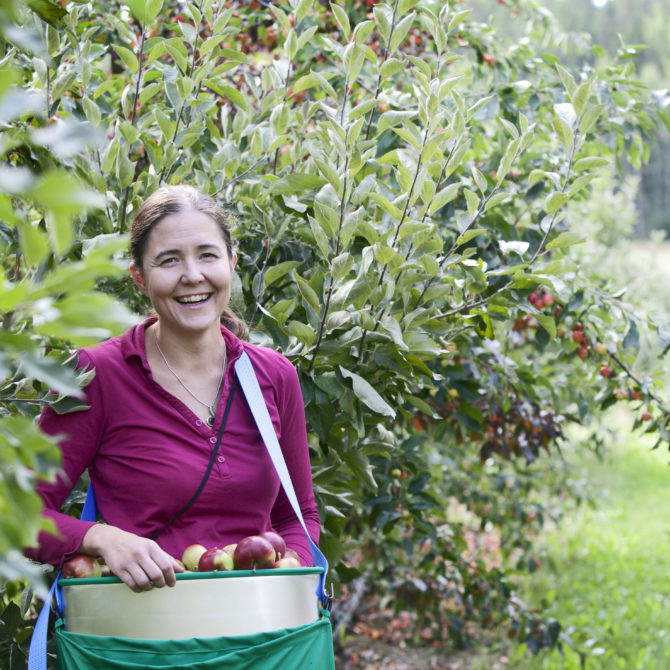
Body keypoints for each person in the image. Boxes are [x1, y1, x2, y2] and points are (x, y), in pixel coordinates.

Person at [24, 185, 321, 593]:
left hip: (259, 634)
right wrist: (101, 538)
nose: (192, 276)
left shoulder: (273, 375)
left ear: (231, 263)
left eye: (207, 255)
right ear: (139, 278)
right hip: (145, 635)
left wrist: (291, 577)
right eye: (169, 260)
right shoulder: (94, 376)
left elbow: (297, 515)